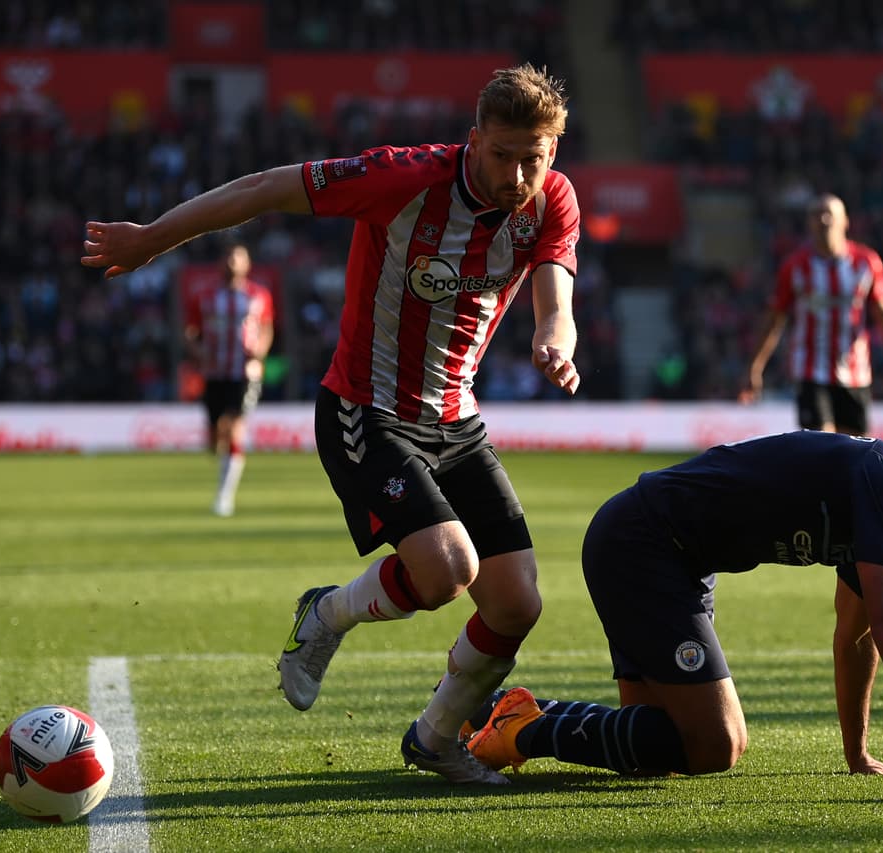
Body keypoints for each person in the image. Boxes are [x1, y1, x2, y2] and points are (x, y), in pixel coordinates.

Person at [81, 64, 581, 785]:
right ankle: (327, 613)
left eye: (533, 156)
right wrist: (154, 238)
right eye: (502, 154)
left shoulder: (552, 200)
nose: (516, 172)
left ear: (553, 152)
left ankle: (438, 737)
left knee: (515, 603)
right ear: (475, 141)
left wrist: (554, 338)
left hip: (456, 420)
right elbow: (267, 187)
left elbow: (555, 290)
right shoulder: (403, 178)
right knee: (446, 571)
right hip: (364, 409)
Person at [464, 424, 883, 791]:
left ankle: (492, 709)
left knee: (661, 747)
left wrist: (857, 752)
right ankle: (525, 731)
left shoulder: (881, 501)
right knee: (717, 745)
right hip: (644, 545)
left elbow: (857, 635)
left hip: (668, 561)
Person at [739, 194, 883, 434]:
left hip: (856, 371)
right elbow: (774, 321)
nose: (824, 219)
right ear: (809, 223)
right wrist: (754, 367)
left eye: (830, 213)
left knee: (855, 452)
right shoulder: (795, 267)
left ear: (845, 221)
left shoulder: (866, 262)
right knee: (821, 447)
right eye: (817, 214)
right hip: (810, 370)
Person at [184, 242, 274, 517]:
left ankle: (224, 497)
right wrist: (197, 349)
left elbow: (267, 328)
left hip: (245, 372)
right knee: (215, 437)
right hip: (214, 372)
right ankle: (222, 458)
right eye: (228, 257)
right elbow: (190, 331)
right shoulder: (205, 296)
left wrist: (261, 350)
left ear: (247, 263)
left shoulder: (259, 296)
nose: (233, 262)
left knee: (235, 425)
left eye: (238, 257)